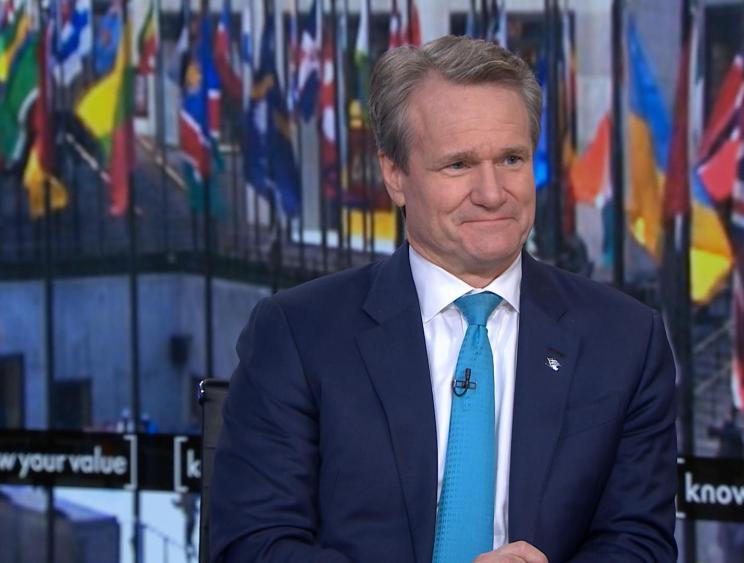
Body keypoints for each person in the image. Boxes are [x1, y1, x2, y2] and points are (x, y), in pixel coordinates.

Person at [210, 36, 677, 563]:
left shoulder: (626, 340)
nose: (492, 193)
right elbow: (252, 546)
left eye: (511, 159)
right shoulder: (298, 335)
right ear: (395, 175)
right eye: (458, 165)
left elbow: (640, 543)